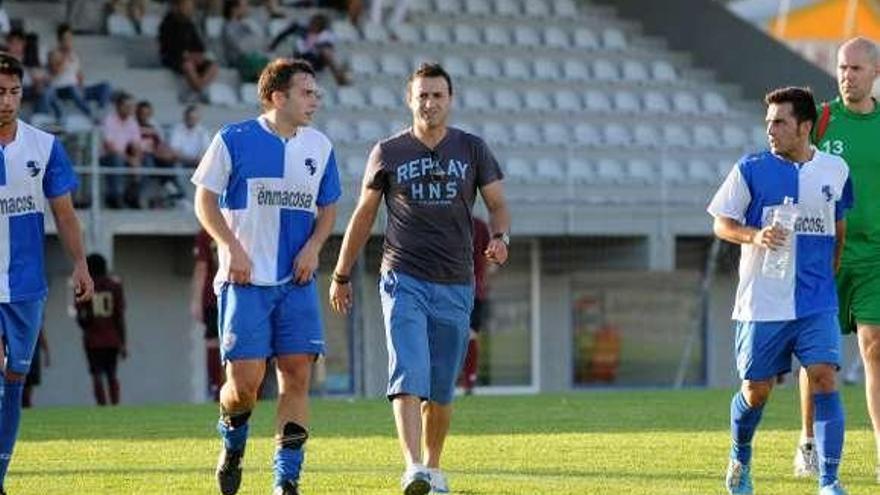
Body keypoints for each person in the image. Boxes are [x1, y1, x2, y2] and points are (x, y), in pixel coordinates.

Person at [329, 62, 510, 495]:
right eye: (422, 95)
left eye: (437, 95)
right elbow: (364, 214)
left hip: (456, 282)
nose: (429, 103)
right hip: (402, 276)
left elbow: (498, 205)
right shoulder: (388, 151)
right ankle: (413, 468)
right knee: (408, 371)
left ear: (450, 100)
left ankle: (433, 466)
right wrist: (340, 273)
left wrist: (501, 236)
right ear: (409, 99)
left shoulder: (473, 149)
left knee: (442, 389)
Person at [191, 58, 340, 495]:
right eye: (307, 92)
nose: (316, 99)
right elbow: (204, 201)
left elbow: (328, 208)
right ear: (278, 97)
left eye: (316, 92)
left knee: (296, 377)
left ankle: (286, 481)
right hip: (244, 283)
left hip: (296, 282)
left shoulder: (320, 146)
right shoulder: (233, 139)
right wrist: (230, 246)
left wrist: (314, 247)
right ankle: (233, 443)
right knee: (244, 387)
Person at [708, 86, 852, 495]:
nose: (770, 129)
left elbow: (838, 229)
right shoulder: (750, 168)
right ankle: (740, 457)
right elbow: (721, 222)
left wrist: (827, 278)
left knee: (824, 376)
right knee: (756, 392)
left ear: (805, 126)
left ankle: (829, 481)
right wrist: (754, 236)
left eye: (780, 122)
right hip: (762, 303)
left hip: (816, 301)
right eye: (768, 121)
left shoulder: (835, 170)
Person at [0, 52, 94, 493]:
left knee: (14, 381)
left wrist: (80, 263)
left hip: (24, 285)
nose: (6, 101)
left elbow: (65, 215)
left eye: (14, 92)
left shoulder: (44, 147)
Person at [795, 37, 880, 483]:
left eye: (856, 70)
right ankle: (808, 442)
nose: (847, 76)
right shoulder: (823, 120)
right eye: (842, 68)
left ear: (875, 74)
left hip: (875, 255)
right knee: (819, 359)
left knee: (875, 347)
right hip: (824, 252)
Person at [75, 253, 127, 406]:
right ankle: (115, 404)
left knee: (96, 374)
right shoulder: (115, 286)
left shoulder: (85, 287)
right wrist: (123, 342)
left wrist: (86, 325)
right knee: (112, 373)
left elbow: (81, 315)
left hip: (93, 339)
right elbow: (119, 316)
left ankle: (102, 404)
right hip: (112, 338)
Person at [47, 23, 112, 122]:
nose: (68, 42)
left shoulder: (74, 54)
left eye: (70, 39)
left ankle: (100, 111)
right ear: (60, 41)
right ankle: (90, 113)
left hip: (75, 88)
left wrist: (81, 84)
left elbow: (78, 74)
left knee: (105, 86)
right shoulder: (54, 53)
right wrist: (65, 57)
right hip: (61, 89)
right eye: (66, 39)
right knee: (72, 88)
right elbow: (55, 72)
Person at [158, 0, 218, 102]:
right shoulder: (167, 24)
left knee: (213, 66)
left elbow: (199, 46)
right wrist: (189, 56)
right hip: (174, 58)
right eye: (187, 5)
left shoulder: (189, 24)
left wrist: (199, 56)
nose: (190, 8)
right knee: (188, 66)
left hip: (191, 57)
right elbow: (171, 49)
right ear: (178, 6)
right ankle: (199, 90)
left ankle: (199, 87)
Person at [270, 14, 351, 86]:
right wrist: (273, 45)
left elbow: (326, 48)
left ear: (321, 28)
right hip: (300, 57)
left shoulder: (326, 36)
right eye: (313, 23)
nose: (313, 26)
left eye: (317, 25)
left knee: (325, 52)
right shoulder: (301, 29)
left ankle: (339, 76)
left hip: (316, 60)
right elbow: (284, 33)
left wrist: (317, 45)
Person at [458, 215, 490, 394]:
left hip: (462, 289)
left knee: (467, 336)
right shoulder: (480, 225)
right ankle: (468, 380)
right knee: (468, 336)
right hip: (471, 289)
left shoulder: (479, 226)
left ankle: (468, 380)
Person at [191, 228, 223, 401]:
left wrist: (196, 300)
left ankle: (216, 387)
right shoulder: (240, 224)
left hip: (214, 295)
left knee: (213, 342)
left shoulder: (207, 232)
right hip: (240, 293)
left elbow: (201, 267)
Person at [100, 91, 144, 208]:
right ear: (118, 106)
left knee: (146, 161)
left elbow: (136, 144)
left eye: (132, 106)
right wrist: (130, 160)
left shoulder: (132, 122)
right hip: (106, 156)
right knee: (117, 159)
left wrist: (136, 159)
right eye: (127, 106)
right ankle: (114, 197)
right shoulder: (109, 120)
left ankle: (133, 197)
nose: (130, 109)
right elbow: (109, 147)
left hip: (123, 155)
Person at [222, 0, 269, 84]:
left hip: (252, 57)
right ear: (234, 9)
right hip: (238, 61)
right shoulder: (228, 27)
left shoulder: (246, 24)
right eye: (244, 6)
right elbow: (240, 47)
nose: (247, 8)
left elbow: (261, 42)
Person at [169, 104, 211, 169]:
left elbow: (206, 149)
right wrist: (188, 159)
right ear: (185, 117)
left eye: (194, 118)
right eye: (190, 118)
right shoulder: (177, 129)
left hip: (198, 162)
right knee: (177, 166)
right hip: (181, 161)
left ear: (198, 119)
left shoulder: (203, 131)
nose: (192, 120)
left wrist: (198, 159)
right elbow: (175, 150)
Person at [22, 330, 49, 408]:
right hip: (22, 358)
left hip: (33, 359)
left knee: (29, 387)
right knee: (22, 386)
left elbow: (41, 336)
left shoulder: (36, 322)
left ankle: (27, 405)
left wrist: (47, 354)